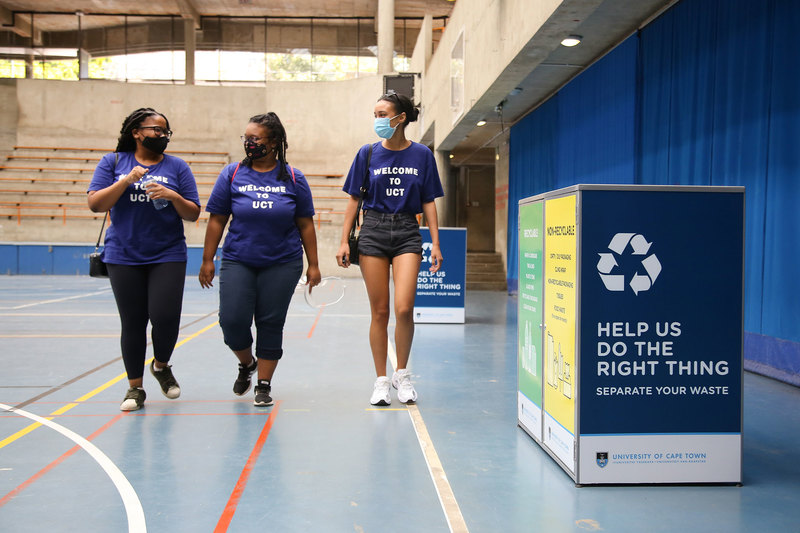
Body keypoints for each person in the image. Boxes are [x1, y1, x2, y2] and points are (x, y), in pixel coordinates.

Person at [199, 112, 320, 407]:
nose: (249, 144)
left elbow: (305, 223)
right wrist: (208, 259)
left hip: (282, 262)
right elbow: (217, 220)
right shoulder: (232, 174)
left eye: (255, 139)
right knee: (232, 321)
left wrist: (314, 264)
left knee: (270, 322)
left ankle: (263, 384)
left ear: (274, 142)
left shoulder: (293, 178)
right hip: (239, 259)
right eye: (246, 138)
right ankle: (246, 363)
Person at [87, 107, 201, 411]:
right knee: (133, 322)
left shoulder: (177, 167)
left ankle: (161, 366)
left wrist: (173, 196)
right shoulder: (112, 162)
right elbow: (96, 204)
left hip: (168, 253)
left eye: (166, 131)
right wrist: (125, 181)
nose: (162, 135)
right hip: (123, 254)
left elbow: (193, 213)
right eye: (156, 130)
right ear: (137, 132)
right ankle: (135, 388)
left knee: (165, 318)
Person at [336, 91, 444, 406]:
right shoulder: (366, 153)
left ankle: (402, 374)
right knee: (380, 311)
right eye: (376, 114)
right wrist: (344, 240)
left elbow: (428, 200)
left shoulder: (422, 155)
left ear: (400, 118)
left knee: (403, 308)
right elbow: (354, 199)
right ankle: (381, 379)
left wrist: (435, 243)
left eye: (383, 114)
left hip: (408, 230)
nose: (378, 120)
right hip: (373, 230)